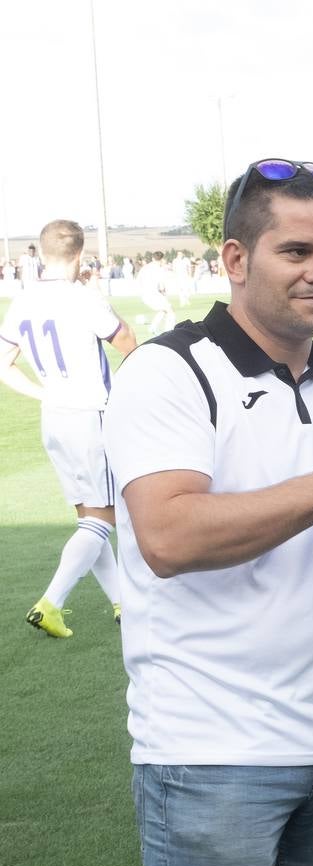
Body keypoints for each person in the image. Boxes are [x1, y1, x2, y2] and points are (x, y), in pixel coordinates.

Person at [102, 157, 313, 866]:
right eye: (296, 252)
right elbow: (169, 537)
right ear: (235, 259)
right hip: (214, 751)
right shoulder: (172, 372)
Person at [0, 219, 136, 636]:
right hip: (90, 414)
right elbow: (127, 341)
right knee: (103, 518)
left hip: (54, 417)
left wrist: (44, 394)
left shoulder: (22, 300)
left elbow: (4, 365)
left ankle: (121, 603)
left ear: (40, 254)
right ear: (80, 255)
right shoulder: (84, 298)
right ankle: (51, 602)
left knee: (89, 517)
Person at [137, 251, 173, 334]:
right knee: (170, 310)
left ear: (153, 258)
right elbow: (161, 284)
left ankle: (152, 328)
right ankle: (168, 333)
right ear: (162, 259)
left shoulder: (145, 268)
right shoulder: (159, 268)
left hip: (145, 294)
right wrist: (163, 292)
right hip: (154, 294)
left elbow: (139, 280)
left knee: (163, 310)